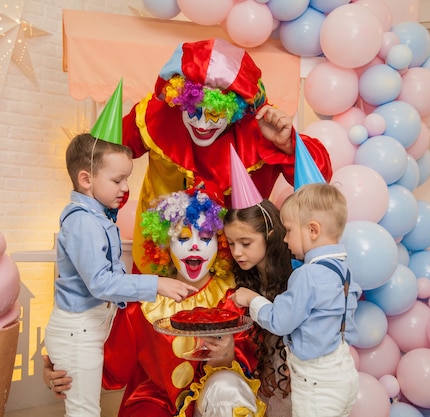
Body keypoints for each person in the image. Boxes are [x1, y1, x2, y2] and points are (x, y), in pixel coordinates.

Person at [46, 189, 267, 417]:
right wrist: (61, 365)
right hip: (155, 402)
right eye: (182, 238)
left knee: (227, 388)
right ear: (164, 245)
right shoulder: (143, 304)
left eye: (204, 238)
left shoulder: (231, 296)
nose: (194, 246)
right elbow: (111, 373)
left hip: (211, 401)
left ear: (220, 243)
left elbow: (252, 364)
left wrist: (226, 351)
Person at [122, 38, 333, 274]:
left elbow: (319, 183)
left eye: (214, 114)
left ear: (235, 110)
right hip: (164, 262)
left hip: (237, 265)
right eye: (192, 109)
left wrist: (287, 143)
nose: (201, 124)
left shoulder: (261, 125)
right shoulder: (158, 114)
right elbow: (100, 158)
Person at [45, 133, 197, 417]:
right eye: (118, 180)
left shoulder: (97, 218)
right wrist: (156, 284)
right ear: (86, 180)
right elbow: (100, 283)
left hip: (86, 330)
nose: (125, 188)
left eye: (127, 179)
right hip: (78, 332)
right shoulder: (83, 223)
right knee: (84, 412)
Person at [230, 183, 361, 417]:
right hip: (344, 375)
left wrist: (253, 300)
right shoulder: (343, 270)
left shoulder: (307, 274)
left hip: (317, 384)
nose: (286, 239)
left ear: (313, 230)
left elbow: (280, 322)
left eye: (289, 230)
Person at [223, 199, 293, 416]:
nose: (237, 252)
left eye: (246, 243)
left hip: (290, 377)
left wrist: (252, 299)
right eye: (231, 243)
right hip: (258, 372)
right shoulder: (244, 275)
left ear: (270, 236)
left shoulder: (294, 275)